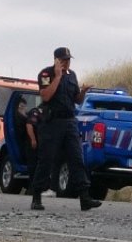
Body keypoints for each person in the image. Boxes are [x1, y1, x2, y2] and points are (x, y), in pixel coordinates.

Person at [30, 47, 102, 211]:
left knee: (77, 158)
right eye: (63, 60)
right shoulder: (46, 74)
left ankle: (84, 197)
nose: (66, 62)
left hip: (69, 121)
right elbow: (46, 95)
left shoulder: (72, 76)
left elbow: (76, 100)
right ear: (55, 60)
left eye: (68, 59)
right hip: (52, 122)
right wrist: (58, 76)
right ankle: (36, 197)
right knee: (46, 160)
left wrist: (83, 92)